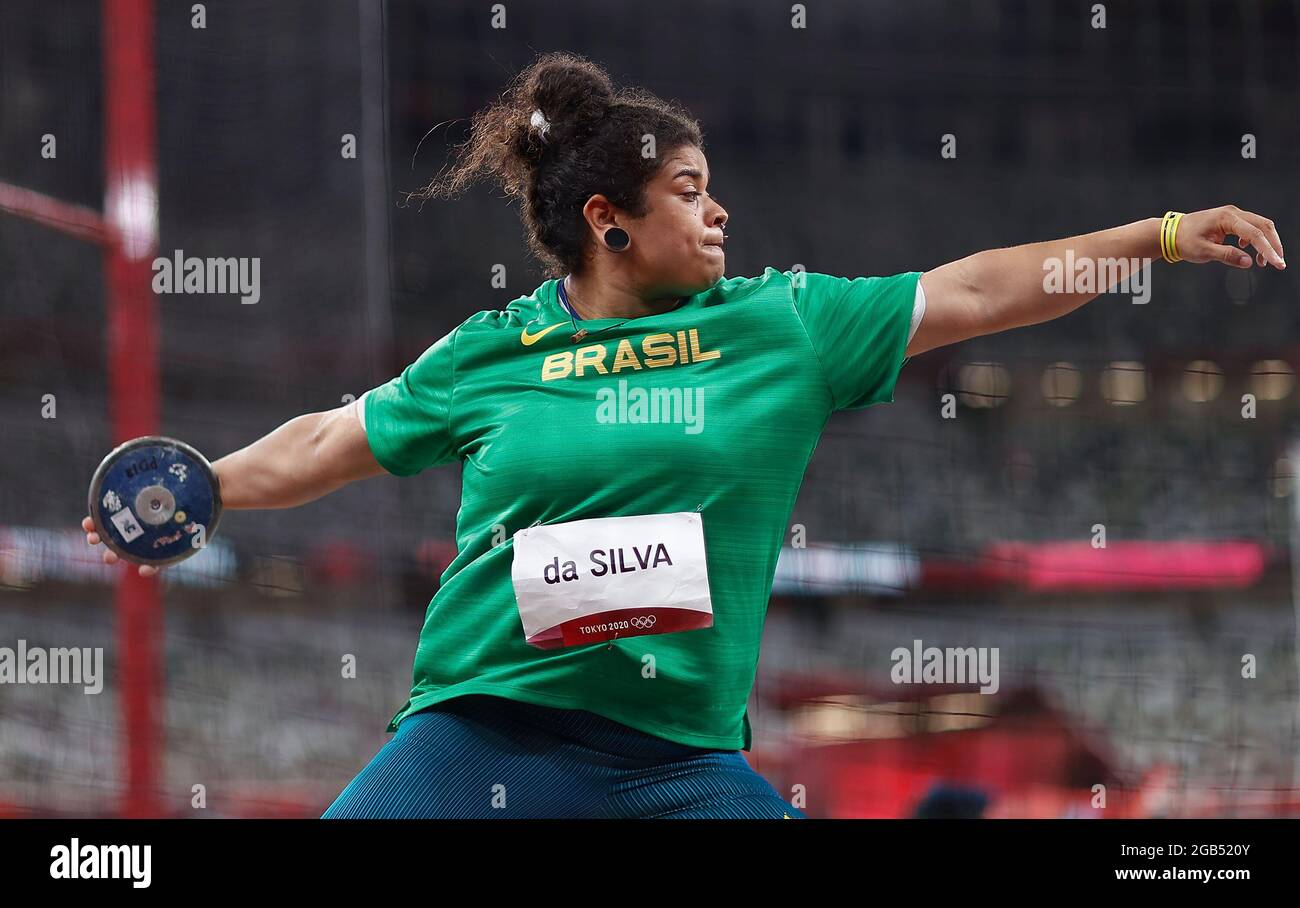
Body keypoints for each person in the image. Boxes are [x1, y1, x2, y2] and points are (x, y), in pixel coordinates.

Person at [82, 52, 1284, 818]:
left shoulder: (782, 324)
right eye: (690, 190)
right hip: (479, 733)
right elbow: (329, 443)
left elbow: (983, 289)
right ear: (607, 220)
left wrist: (1162, 235)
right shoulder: (492, 350)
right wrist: (194, 486)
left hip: (677, 765)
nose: (720, 210)